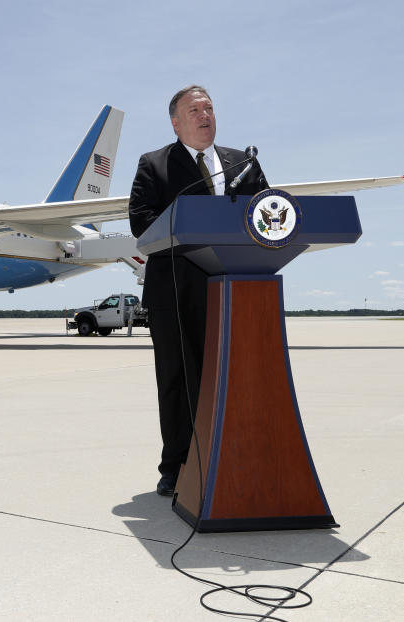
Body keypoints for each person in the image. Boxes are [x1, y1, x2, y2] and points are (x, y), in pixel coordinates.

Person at [128, 85, 269, 496]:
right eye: (195, 109)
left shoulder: (242, 163)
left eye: (209, 107)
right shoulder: (154, 164)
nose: (205, 114)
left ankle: (238, 456)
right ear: (176, 121)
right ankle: (177, 465)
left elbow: (264, 213)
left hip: (235, 287)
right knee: (177, 379)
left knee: (235, 378)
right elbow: (141, 221)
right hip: (175, 286)